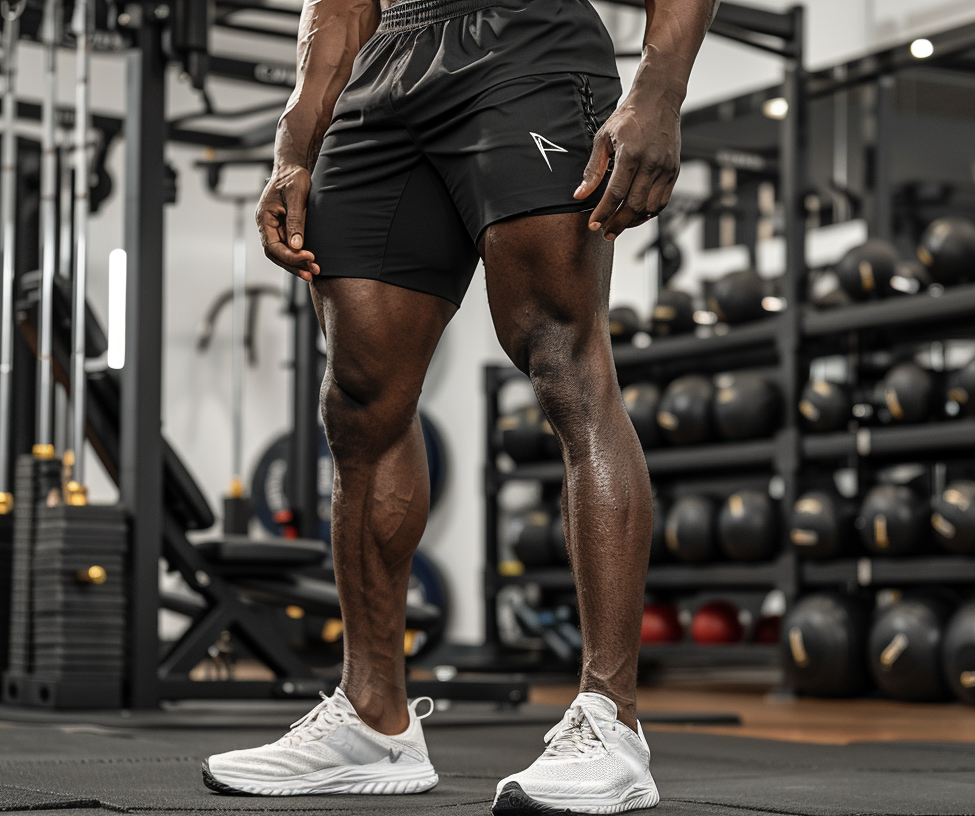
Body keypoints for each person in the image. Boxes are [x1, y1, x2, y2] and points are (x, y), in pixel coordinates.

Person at [204, 0, 715, 811]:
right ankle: (374, 719)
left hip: (528, 42)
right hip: (382, 76)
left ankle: (610, 720)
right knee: (359, 399)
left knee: (562, 360)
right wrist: (294, 147)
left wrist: (661, 86)